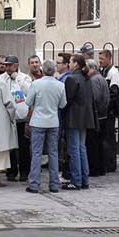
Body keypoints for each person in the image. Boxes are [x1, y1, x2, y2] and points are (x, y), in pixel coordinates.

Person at [25, 59, 67, 194]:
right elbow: (62, 104)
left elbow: (28, 101)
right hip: (53, 122)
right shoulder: (60, 85)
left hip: (38, 121)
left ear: (43, 69)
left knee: (36, 153)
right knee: (53, 153)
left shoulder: (36, 84)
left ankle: (34, 184)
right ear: (54, 70)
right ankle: (54, 184)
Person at [62, 54, 95, 191]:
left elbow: (67, 100)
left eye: (70, 62)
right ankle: (84, 179)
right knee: (81, 148)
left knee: (74, 149)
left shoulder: (72, 78)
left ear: (75, 64)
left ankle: (76, 180)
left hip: (74, 117)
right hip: (85, 117)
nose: (69, 64)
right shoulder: (86, 79)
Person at [0, 55, 32, 182]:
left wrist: (17, 79)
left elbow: (29, 92)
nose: (7, 67)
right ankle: (11, 171)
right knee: (10, 146)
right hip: (8, 117)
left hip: (21, 117)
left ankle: (24, 171)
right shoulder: (2, 78)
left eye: (10, 65)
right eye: (6, 65)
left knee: (23, 146)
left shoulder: (24, 78)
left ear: (16, 65)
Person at [98, 49, 119, 173]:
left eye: (102, 59)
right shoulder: (103, 71)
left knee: (109, 138)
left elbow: (114, 93)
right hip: (104, 111)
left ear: (108, 58)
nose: (100, 61)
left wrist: (106, 107)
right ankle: (105, 161)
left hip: (109, 111)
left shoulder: (113, 73)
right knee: (104, 138)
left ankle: (110, 163)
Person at [86, 59, 110, 177]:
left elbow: (95, 98)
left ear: (93, 68)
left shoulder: (94, 80)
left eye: (87, 68)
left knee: (94, 144)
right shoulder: (100, 78)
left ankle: (95, 168)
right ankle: (100, 168)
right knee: (99, 144)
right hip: (102, 115)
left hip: (98, 116)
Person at [56, 52, 73, 182]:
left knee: (64, 145)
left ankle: (66, 172)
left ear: (66, 65)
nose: (57, 65)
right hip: (60, 116)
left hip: (63, 117)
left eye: (59, 62)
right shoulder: (61, 78)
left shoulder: (67, 79)